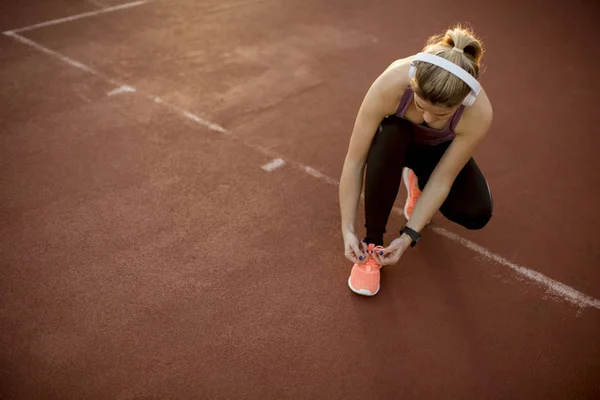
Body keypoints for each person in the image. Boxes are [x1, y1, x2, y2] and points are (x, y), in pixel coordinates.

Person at [339, 25, 494, 296]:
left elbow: (443, 179)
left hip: (436, 152)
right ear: (413, 83)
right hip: (392, 145)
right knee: (392, 134)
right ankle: (371, 247)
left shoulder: (479, 113)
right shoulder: (390, 84)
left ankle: (415, 179)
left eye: (441, 115)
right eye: (420, 106)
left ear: (463, 102)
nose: (426, 119)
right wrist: (347, 228)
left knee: (476, 212)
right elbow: (354, 161)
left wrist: (408, 236)